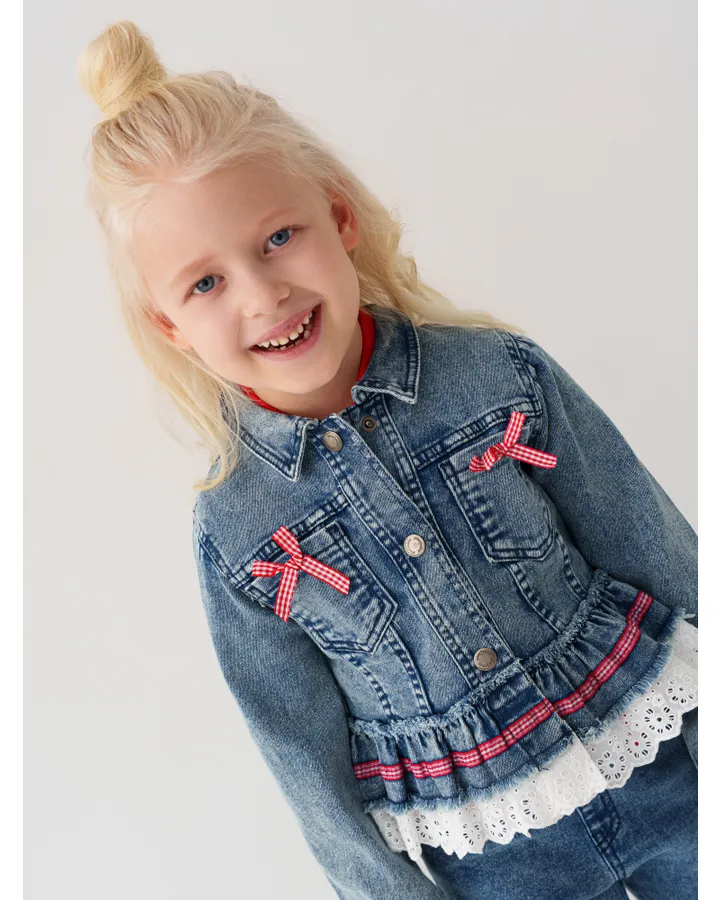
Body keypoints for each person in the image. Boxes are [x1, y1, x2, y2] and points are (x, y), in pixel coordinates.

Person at [77, 21, 698, 900]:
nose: (264, 295)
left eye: (278, 237)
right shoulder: (237, 533)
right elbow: (304, 760)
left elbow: (658, 553)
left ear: (338, 218)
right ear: (169, 325)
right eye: (205, 283)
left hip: (671, 775)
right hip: (500, 861)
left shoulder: (497, 377)